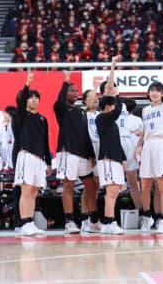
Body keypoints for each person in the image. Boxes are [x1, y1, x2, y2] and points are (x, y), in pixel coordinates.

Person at [135, 65, 163, 234]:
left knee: (162, 185)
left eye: (157, 90)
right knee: (144, 185)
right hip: (148, 145)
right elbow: (145, 131)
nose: (154, 93)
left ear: (162, 94)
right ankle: (147, 216)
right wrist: (138, 145)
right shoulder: (145, 110)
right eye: (151, 90)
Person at [54, 70, 96, 234]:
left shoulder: (81, 111)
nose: (75, 93)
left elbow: (86, 134)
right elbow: (59, 100)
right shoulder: (61, 109)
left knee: (91, 187)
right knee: (69, 185)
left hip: (83, 154)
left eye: (76, 91)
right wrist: (66, 82)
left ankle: (93, 221)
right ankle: (69, 222)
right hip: (68, 152)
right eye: (72, 90)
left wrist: (92, 154)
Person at [13, 73, 52, 236]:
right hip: (26, 155)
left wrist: (48, 162)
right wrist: (27, 84)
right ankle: (24, 223)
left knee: (34, 192)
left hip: (39, 159)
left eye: (36, 97)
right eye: (31, 97)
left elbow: (45, 143)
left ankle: (30, 222)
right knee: (26, 190)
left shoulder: (43, 119)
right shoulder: (21, 115)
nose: (34, 100)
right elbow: (21, 105)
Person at [95, 60, 126, 235]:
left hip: (114, 158)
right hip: (107, 158)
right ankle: (110, 222)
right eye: (113, 104)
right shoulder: (102, 118)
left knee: (114, 191)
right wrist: (118, 95)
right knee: (111, 191)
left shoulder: (111, 123)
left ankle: (107, 222)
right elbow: (117, 110)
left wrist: (123, 160)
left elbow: (117, 142)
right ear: (108, 105)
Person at [81, 83, 101, 233]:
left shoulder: (100, 115)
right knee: (88, 187)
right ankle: (85, 217)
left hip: (100, 149)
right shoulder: (83, 113)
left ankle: (92, 217)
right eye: (92, 97)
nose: (95, 99)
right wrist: (95, 87)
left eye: (97, 97)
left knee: (97, 186)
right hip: (88, 148)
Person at [123, 98, 144, 214]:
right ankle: (140, 212)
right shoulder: (138, 120)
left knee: (115, 186)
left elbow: (143, 134)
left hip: (127, 153)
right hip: (133, 154)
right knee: (134, 185)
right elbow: (144, 134)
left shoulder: (135, 119)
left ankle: (140, 211)